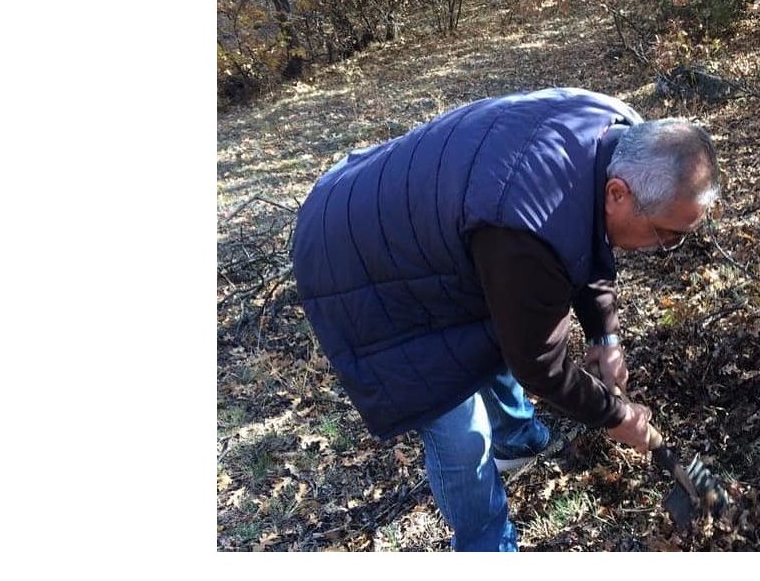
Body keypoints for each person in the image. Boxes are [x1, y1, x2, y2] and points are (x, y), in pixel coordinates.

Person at [291, 87, 720, 551]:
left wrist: (605, 335)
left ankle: (518, 439)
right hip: (358, 255)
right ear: (618, 193)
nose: (666, 248)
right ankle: (485, 544)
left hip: (437, 220)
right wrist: (615, 415)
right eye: (667, 235)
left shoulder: (618, 135)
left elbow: (587, 239)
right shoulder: (528, 226)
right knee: (456, 421)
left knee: (502, 317)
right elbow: (537, 360)